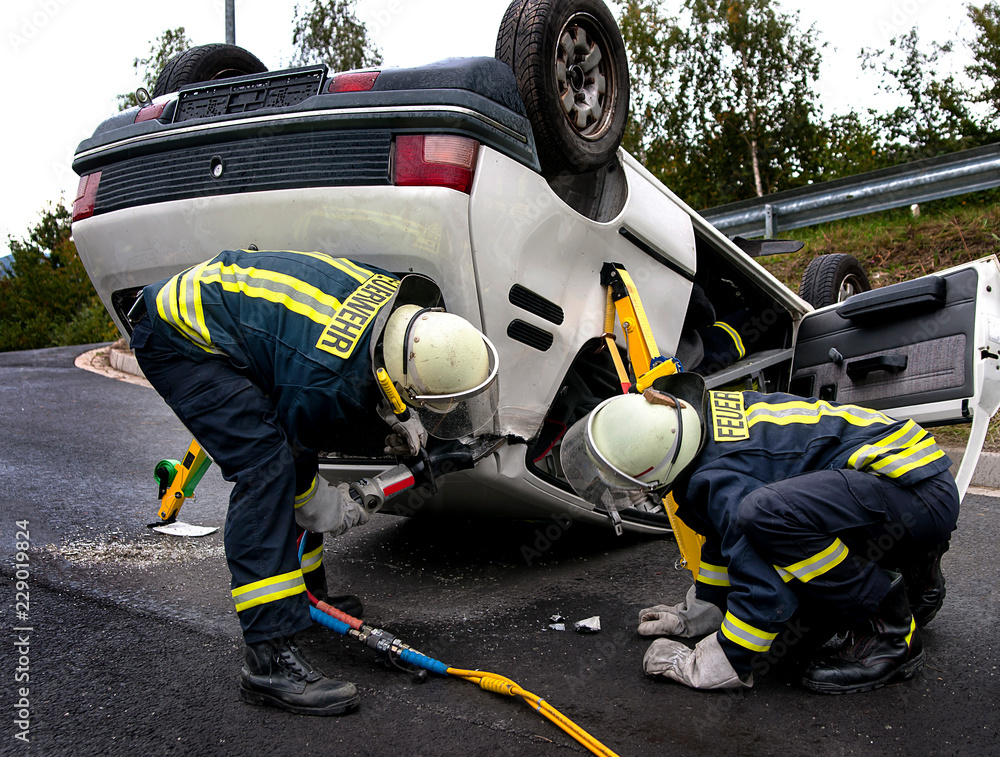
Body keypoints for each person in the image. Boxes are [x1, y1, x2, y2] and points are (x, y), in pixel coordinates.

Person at [129, 249, 498, 715]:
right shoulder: (323, 384)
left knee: (289, 461)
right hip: (177, 340)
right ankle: (266, 662)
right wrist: (386, 484)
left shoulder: (401, 305)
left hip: (224, 314)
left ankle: (307, 597)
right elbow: (303, 480)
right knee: (267, 470)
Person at [559, 372, 959, 694]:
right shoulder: (697, 424)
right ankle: (913, 569)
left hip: (916, 495)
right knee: (770, 517)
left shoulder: (723, 477)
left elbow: (764, 585)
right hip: (907, 477)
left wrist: (719, 659)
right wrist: (707, 609)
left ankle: (890, 635)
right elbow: (722, 533)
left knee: (767, 519)